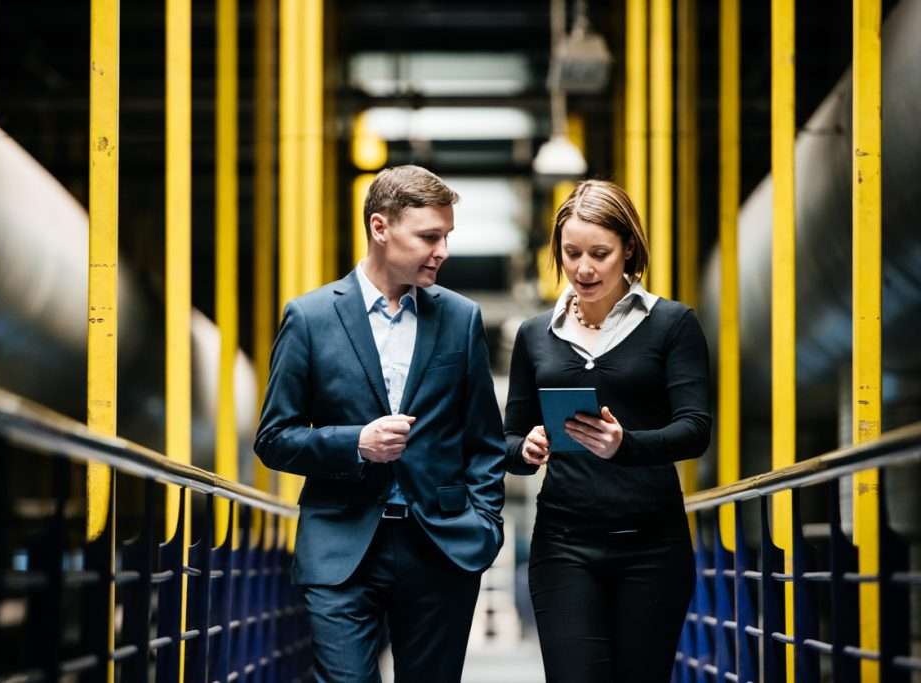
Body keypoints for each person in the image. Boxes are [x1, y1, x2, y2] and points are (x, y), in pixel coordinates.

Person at [254, 165, 505, 682]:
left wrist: (485, 526)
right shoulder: (310, 317)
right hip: (340, 549)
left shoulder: (461, 320)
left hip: (441, 548)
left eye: (447, 237)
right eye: (430, 237)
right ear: (380, 227)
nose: (443, 251)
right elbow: (275, 438)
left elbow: (484, 440)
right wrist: (356, 444)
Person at [504, 179, 711, 682]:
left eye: (600, 252)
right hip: (563, 546)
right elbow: (505, 442)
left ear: (629, 249)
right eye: (572, 253)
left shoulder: (672, 325)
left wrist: (626, 444)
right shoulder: (535, 335)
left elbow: (695, 429)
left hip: (652, 546)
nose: (584, 267)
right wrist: (527, 448)